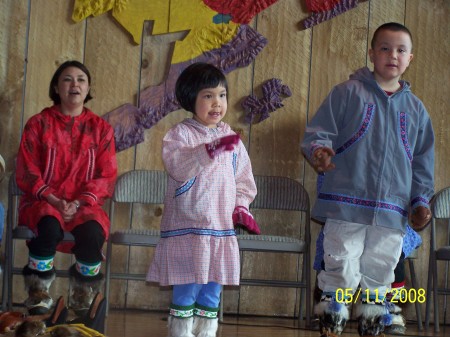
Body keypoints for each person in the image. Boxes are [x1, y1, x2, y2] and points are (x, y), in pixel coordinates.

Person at [301, 22, 434, 337]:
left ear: (410, 58)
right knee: (341, 259)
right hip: (346, 201)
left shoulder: (416, 110)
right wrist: (319, 150)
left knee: (381, 265)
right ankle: (332, 315)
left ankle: (374, 317)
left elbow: (423, 161)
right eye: (385, 48)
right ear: (372, 53)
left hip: (392, 207)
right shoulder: (347, 93)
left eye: (401, 49)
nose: (392, 55)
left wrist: (420, 201)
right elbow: (320, 130)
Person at [147, 62, 259, 337]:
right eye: (208, 96)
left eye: (221, 95)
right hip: (189, 225)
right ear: (190, 99)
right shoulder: (180, 135)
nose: (216, 103)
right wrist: (208, 150)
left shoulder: (232, 139)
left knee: (213, 288)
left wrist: (241, 207)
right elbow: (179, 167)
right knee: (187, 286)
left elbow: (244, 180)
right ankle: (181, 331)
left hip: (220, 228)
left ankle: (207, 331)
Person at [15, 60, 117, 317]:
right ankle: (38, 292)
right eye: (67, 79)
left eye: (81, 79)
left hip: (84, 205)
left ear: (88, 87)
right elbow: (27, 170)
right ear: (56, 88)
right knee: (47, 225)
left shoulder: (101, 129)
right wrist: (55, 199)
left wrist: (79, 202)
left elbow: (106, 175)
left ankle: (83, 294)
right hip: (44, 201)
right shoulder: (38, 124)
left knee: (93, 232)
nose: (75, 85)